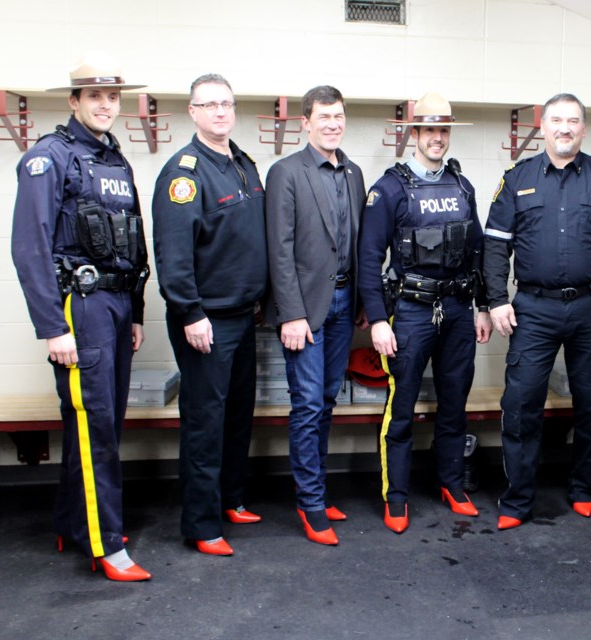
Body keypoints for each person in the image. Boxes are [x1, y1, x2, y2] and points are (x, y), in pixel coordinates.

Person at [11, 51, 151, 581]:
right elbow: (30, 247)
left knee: (96, 421)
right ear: (74, 101)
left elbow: (133, 244)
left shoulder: (117, 161)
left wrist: (135, 311)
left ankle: (75, 522)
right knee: (99, 429)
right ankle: (106, 543)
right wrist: (52, 325)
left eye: (112, 96)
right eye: (94, 96)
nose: (105, 105)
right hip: (82, 306)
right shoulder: (50, 157)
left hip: (116, 307)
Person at [482, 93, 591, 530]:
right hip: (533, 308)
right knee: (520, 404)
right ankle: (517, 501)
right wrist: (496, 299)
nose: (565, 128)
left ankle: (585, 489)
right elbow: (495, 245)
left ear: (584, 129)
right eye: (557, 120)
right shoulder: (517, 178)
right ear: (543, 126)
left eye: (573, 121)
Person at [358, 92, 492, 534]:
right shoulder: (389, 189)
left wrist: (483, 306)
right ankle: (396, 496)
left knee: (455, 406)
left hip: (457, 310)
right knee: (402, 409)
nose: (437, 138)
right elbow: (369, 257)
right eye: (429, 130)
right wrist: (378, 319)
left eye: (443, 130)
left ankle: (452, 484)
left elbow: (477, 251)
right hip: (411, 313)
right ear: (413, 133)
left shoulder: (462, 185)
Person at [152, 74, 267, 557]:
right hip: (206, 321)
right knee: (205, 420)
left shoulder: (243, 163)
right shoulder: (184, 173)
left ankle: (230, 499)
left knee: (239, 414)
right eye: (209, 105)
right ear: (193, 112)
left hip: (245, 315)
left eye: (226, 103)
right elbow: (173, 255)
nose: (220, 112)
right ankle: (201, 524)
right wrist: (190, 313)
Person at [265, 85, 366, 546]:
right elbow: (279, 250)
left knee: (326, 402)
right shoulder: (285, 172)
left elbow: (358, 245)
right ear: (305, 122)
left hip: (345, 305)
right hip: (304, 312)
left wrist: (364, 302)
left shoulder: (355, 173)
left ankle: (319, 492)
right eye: (324, 116)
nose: (332, 123)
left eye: (339, 116)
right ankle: (309, 505)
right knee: (306, 404)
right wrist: (290, 313)